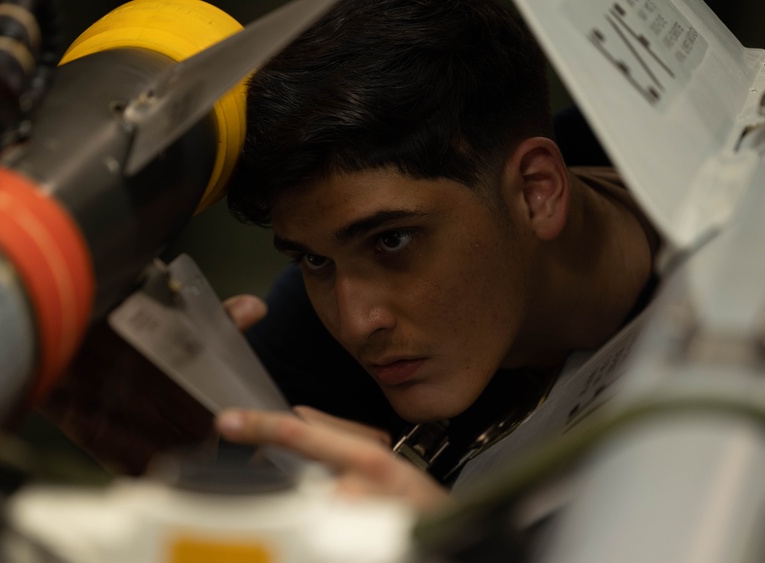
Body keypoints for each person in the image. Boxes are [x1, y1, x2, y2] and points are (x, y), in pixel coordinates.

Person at [42, 0, 660, 514]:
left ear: (536, 190)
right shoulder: (322, 342)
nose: (357, 321)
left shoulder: (741, 241)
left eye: (392, 241)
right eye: (314, 261)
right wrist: (190, 468)